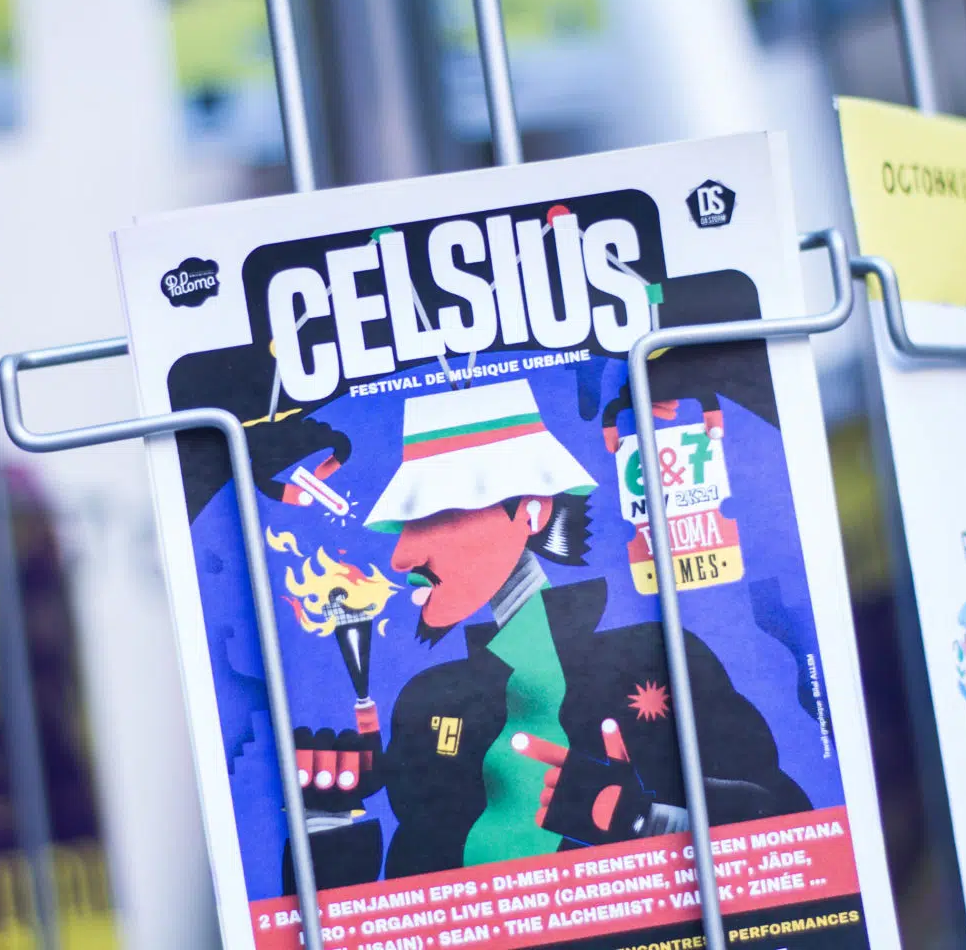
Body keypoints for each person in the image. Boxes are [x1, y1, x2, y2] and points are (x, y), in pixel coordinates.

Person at [286, 379, 808, 891]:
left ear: (532, 511)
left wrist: (648, 821)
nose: (401, 557)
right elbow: (407, 885)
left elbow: (797, 841)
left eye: (438, 515)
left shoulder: (661, 657)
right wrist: (327, 823)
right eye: (405, 523)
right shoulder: (425, 703)